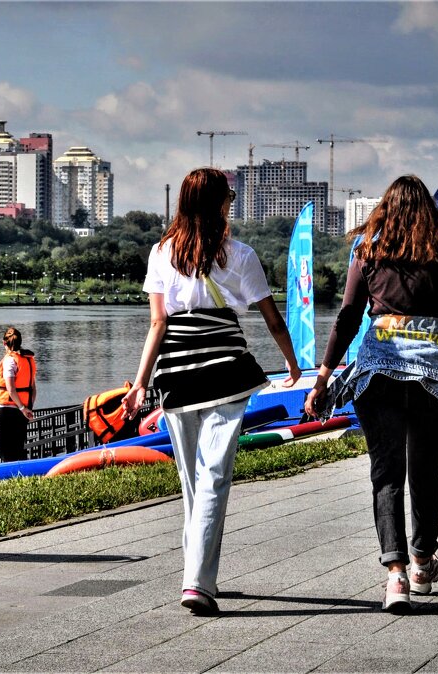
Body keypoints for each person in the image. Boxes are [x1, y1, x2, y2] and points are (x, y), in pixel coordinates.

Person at [304, 174, 438, 614]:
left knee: (385, 474)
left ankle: (396, 577)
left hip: (378, 376)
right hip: (434, 378)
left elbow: (348, 318)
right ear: (429, 213)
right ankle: (423, 560)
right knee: (427, 471)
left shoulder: (367, 253)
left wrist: (322, 378)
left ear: (384, 211)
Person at [120, 168, 302, 616]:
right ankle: (198, 581)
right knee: (214, 478)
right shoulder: (240, 254)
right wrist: (292, 361)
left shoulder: (161, 253)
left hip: (176, 376)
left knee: (192, 482)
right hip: (227, 373)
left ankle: (198, 579)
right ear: (219, 203)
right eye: (230, 197)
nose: (232, 202)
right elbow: (272, 318)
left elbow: (158, 325)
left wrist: (142, 382)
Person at [0, 327, 37, 462]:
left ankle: (7, 476)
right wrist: (27, 408)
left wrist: (22, 408)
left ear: (4, 343)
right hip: (23, 411)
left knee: (5, 449)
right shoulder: (28, 360)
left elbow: (11, 389)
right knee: (19, 447)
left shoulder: (9, 360)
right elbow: (33, 389)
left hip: (8, 411)